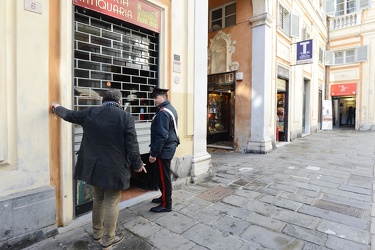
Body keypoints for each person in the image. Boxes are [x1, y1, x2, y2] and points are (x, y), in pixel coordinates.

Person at [51, 89, 146, 250]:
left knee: (98, 199)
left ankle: (97, 234)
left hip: (94, 167)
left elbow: (69, 115)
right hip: (115, 169)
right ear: (120, 101)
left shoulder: (90, 113)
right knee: (111, 202)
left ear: (103, 100)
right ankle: (108, 240)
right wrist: (138, 164)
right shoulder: (125, 117)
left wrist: (56, 107)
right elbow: (132, 146)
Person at [148, 87, 179, 213]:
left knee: (163, 177)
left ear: (164, 97)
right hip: (168, 147)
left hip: (164, 149)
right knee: (163, 176)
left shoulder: (163, 112)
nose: (154, 100)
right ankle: (164, 197)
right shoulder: (168, 108)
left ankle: (166, 204)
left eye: (156, 97)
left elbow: (161, 135)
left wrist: (154, 153)